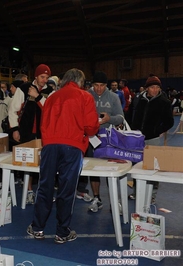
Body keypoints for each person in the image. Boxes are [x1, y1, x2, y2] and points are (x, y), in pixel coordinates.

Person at [27, 68, 99, 243]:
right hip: (72, 146)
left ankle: (37, 228)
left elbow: (44, 122)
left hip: (50, 145)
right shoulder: (85, 96)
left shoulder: (52, 97)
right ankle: (62, 232)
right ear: (80, 81)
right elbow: (91, 127)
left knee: (45, 186)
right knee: (67, 189)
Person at [126, 74, 174, 202]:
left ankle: (151, 195)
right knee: (137, 166)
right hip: (136, 139)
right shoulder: (138, 100)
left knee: (153, 168)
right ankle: (136, 192)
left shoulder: (164, 102)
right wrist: (130, 129)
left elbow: (169, 122)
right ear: (147, 88)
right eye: (152, 87)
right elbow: (130, 115)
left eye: (157, 87)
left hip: (152, 139)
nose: (155, 90)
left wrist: (157, 131)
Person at [9, 64, 52, 204]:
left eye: (47, 77)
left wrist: (38, 96)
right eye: (42, 77)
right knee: (27, 163)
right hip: (26, 132)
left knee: (44, 164)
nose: (44, 80)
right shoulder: (23, 88)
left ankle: (43, 192)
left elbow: (51, 110)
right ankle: (28, 192)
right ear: (36, 76)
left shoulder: (50, 91)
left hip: (43, 134)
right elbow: (13, 110)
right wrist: (15, 129)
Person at [86, 71, 124, 212]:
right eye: (96, 85)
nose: (99, 88)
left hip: (108, 138)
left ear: (106, 85)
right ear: (92, 85)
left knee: (111, 170)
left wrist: (109, 119)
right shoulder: (87, 95)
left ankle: (115, 200)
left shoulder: (114, 97)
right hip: (91, 138)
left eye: (102, 85)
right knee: (92, 169)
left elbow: (120, 117)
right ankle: (97, 198)